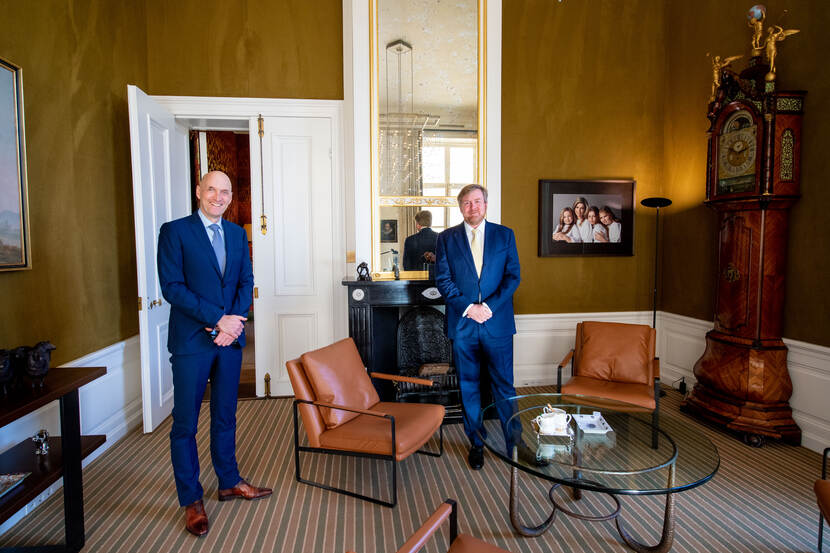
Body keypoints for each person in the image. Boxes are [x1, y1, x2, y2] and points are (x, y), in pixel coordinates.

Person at [157, 171, 271, 537]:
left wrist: (233, 325)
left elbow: (245, 282)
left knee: (225, 415)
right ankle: (191, 499)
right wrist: (217, 320)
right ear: (198, 191)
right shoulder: (174, 232)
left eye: (225, 192)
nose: (218, 197)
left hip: (230, 342)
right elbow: (173, 288)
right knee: (185, 424)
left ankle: (229, 481)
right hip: (192, 341)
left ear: (231, 196)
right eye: (211, 190)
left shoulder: (236, 234)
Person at [435, 184, 523, 470]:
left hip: (497, 323)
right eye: (466, 202)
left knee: (504, 384)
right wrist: (469, 308)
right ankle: (476, 442)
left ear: (485, 204)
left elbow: (513, 277)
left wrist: (488, 307)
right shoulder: (446, 238)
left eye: (477, 201)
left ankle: (515, 443)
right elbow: (443, 279)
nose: (472, 207)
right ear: (460, 207)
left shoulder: (505, 235)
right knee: (468, 386)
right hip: (463, 324)